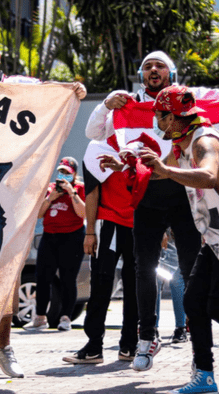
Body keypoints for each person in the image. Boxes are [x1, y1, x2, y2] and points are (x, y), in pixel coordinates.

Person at [100, 85, 219, 394]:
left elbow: (207, 176)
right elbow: (166, 172)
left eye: (159, 117)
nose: (156, 122)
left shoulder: (204, 141)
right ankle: (205, 375)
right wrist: (128, 165)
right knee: (193, 300)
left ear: (176, 118)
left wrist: (164, 167)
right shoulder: (184, 143)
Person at [86, 50, 219, 372]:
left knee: (200, 287)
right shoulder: (140, 113)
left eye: (159, 65)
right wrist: (107, 114)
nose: (153, 70)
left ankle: (218, 359)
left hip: (205, 213)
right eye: (146, 66)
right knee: (156, 275)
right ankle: (166, 348)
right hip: (152, 201)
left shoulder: (197, 129)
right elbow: (146, 161)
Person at [0, 34, 87, 380]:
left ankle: (2, 346)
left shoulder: (16, 86)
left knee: (9, 269)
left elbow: (49, 90)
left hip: (10, 190)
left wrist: (71, 90)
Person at [61, 134, 138, 364]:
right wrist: (90, 232)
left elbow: (151, 187)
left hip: (137, 224)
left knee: (134, 287)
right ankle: (94, 345)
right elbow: (92, 192)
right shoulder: (99, 147)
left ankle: (130, 346)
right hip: (109, 223)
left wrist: (160, 228)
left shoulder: (142, 143)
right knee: (101, 285)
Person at [24, 157, 85, 332]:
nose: (63, 175)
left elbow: (83, 213)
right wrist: (51, 198)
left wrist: (71, 192)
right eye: (61, 171)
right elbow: (40, 214)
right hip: (50, 237)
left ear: (74, 174)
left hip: (72, 237)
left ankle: (65, 318)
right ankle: (40, 317)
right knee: (42, 278)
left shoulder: (79, 189)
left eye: (67, 172)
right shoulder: (50, 188)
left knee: (67, 279)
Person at [155, 229, 187, 343]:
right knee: (156, 282)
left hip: (178, 233)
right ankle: (153, 328)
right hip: (158, 230)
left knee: (177, 281)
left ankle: (181, 328)